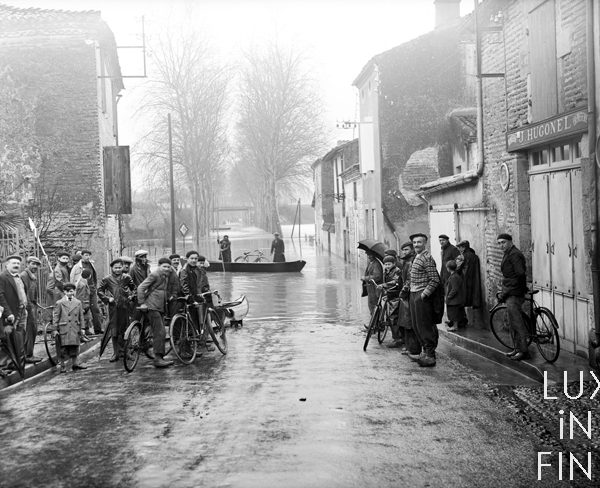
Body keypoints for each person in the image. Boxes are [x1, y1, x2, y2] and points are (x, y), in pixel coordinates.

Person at [407, 233, 440, 367]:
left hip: (421, 295)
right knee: (415, 325)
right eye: (414, 242)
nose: (416, 245)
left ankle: (430, 356)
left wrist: (424, 294)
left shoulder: (427, 258)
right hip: (413, 293)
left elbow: (435, 279)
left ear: (425, 243)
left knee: (424, 326)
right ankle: (424, 353)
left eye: (419, 242)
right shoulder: (417, 257)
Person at [137, 257, 175, 368]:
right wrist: (142, 303)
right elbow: (140, 288)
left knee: (158, 330)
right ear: (159, 266)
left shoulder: (165, 275)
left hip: (160, 307)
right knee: (160, 332)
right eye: (164, 266)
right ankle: (158, 359)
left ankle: (159, 355)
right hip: (152, 306)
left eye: (168, 267)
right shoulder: (155, 275)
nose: (167, 268)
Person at [497, 233, 529, 361]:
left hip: (514, 293)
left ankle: (524, 351)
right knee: (512, 322)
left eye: (503, 242)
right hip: (511, 291)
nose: (501, 245)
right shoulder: (508, 253)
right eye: (499, 243)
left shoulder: (515, 254)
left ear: (510, 241)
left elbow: (519, 275)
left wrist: (506, 291)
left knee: (517, 323)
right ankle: (517, 348)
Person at [98, 258, 135, 362]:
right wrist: (107, 299)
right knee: (114, 330)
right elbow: (100, 291)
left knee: (126, 329)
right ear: (112, 268)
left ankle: (127, 352)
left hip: (125, 306)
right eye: (116, 268)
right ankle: (116, 353)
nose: (118, 270)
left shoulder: (127, 278)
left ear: (123, 267)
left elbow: (134, 288)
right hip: (113, 307)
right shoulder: (107, 279)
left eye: (120, 267)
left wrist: (131, 296)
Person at [180, 251, 215, 351]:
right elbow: (184, 286)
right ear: (187, 259)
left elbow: (200, 283)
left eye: (196, 258)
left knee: (201, 321)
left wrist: (202, 294)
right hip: (189, 299)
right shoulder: (184, 270)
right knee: (190, 324)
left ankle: (200, 343)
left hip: (197, 297)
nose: (194, 260)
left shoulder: (198, 269)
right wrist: (191, 299)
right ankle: (186, 349)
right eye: (192, 258)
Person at [0, 255, 28, 371]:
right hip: (11, 313)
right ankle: (4, 365)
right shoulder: (3, 277)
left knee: (19, 336)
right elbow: (0, 295)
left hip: (22, 311)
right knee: (7, 338)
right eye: (14, 263)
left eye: (18, 263)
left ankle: (17, 363)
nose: (16, 265)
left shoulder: (19, 277)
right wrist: (8, 313)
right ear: (7, 265)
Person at [53, 282, 87, 372]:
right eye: (68, 292)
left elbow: (81, 317)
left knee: (74, 346)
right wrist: (55, 329)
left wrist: (82, 328)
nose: (70, 293)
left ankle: (75, 364)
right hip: (64, 328)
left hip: (75, 327)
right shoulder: (60, 303)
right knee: (63, 348)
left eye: (72, 291)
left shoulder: (78, 302)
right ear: (64, 292)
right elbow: (56, 316)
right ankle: (62, 365)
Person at [71, 250, 103, 335]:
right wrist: (73, 291)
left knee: (95, 309)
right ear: (81, 255)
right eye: (86, 255)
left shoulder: (91, 264)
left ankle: (98, 329)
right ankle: (85, 330)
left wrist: (95, 287)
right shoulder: (77, 267)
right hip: (83, 291)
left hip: (92, 290)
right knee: (85, 310)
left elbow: (94, 277)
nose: (87, 257)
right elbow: (72, 279)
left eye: (89, 255)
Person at [397, 241, 419, 356]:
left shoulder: (411, 262)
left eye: (406, 249)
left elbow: (409, 280)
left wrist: (403, 292)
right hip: (406, 296)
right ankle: (409, 346)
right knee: (405, 322)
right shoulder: (405, 262)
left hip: (410, 296)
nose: (404, 252)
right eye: (403, 250)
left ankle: (413, 348)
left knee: (409, 322)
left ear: (411, 250)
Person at [20, 256, 43, 363]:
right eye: (33, 264)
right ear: (27, 264)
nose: (35, 266)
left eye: (37, 265)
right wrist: (29, 309)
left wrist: (36, 303)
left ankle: (28, 353)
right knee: (30, 331)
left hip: (32, 306)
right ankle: (28, 355)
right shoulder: (24, 275)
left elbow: (33, 292)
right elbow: (24, 294)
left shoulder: (32, 275)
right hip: (28, 308)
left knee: (33, 330)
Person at [377, 255, 402, 348]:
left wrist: (384, 285)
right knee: (389, 316)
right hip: (389, 294)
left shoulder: (397, 271)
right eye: (385, 264)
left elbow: (395, 282)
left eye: (389, 264)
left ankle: (398, 339)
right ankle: (396, 337)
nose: (387, 266)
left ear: (394, 264)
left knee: (393, 317)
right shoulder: (386, 272)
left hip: (396, 295)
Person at [456, 240, 482, 309]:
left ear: (464, 247)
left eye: (459, 247)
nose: (458, 249)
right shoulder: (475, 257)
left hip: (464, 281)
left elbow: (457, 269)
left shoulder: (461, 257)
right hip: (473, 281)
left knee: (462, 300)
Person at [445, 260, 467, 332]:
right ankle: (455, 324)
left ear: (448, 268)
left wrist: (449, 296)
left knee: (454, 313)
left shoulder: (454, 277)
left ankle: (455, 327)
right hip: (456, 299)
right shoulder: (455, 275)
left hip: (455, 300)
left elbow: (454, 289)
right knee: (455, 313)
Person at [75, 269, 93, 341]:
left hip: (86, 303)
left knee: (88, 318)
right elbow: (80, 296)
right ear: (89, 276)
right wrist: (81, 306)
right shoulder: (82, 284)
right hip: (83, 304)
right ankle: (82, 335)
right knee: (83, 319)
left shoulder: (84, 281)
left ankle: (86, 331)